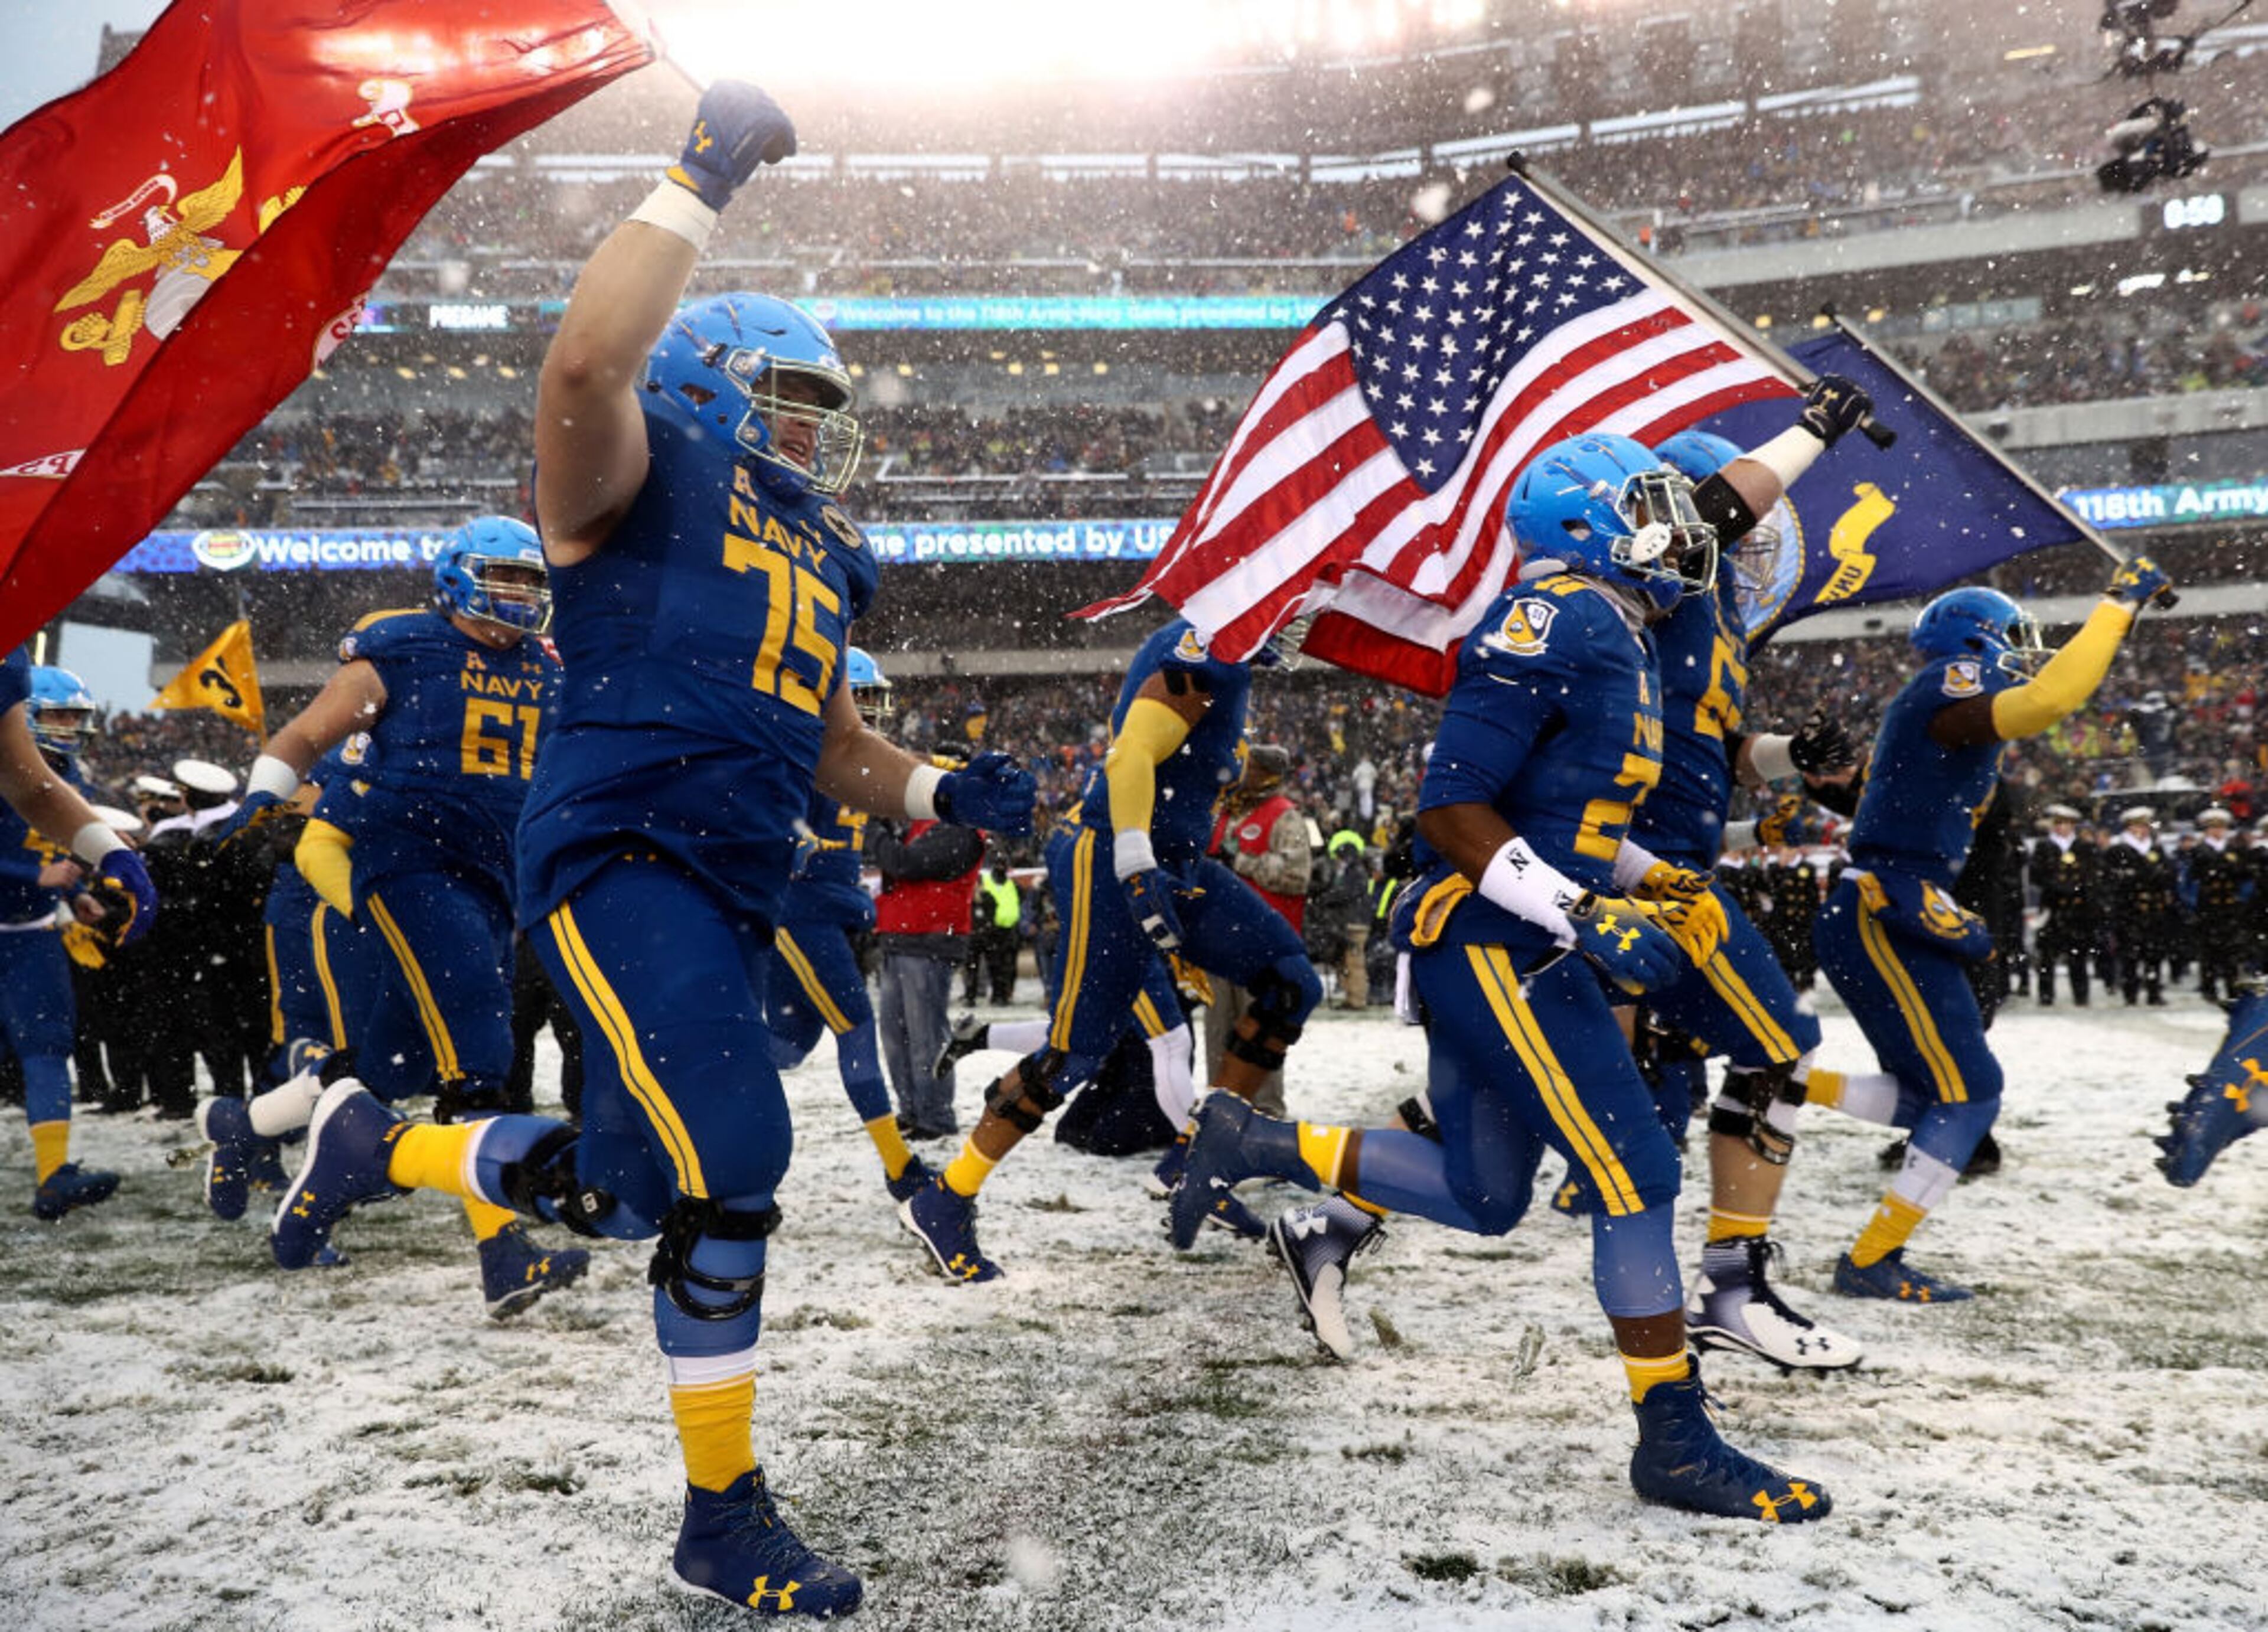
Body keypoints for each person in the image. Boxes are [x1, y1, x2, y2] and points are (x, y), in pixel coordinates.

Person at [258, 81, 1032, 1617]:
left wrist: (944, 782)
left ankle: (373, 1144)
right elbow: (583, 362)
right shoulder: (637, 466)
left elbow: (834, 745)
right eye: (794, 403)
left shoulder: (824, 552)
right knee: (741, 1151)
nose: (820, 434)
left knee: (621, 1185)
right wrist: (695, 182)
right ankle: (721, 1516)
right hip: (624, 852)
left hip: (732, 872)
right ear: (714, 391)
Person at [1172, 433, 1827, 1520]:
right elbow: (1452, 807)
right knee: (1637, 1174)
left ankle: (1255, 1141)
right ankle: (1675, 1440)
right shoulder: (1558, 614)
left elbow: (1566, 815)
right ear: (1588, 521)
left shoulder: (1617, 623)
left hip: (1516, 936)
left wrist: (1646, 876)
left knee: (1486, 1194)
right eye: (1651, 508)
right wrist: (1583, 912)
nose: (1676, 530)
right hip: (1502, 942)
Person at [203, 518, 581, 1316]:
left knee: (386, 1071)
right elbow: (308, 733)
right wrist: (264, 793)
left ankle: (253, 1134)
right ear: (457, 578)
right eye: (504, 577)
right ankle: (503, 1255)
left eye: (530, 581)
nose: (519, 595)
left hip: (493, 880)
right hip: (411, 863)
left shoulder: (551, 668)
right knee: (481, 1055)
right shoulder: (405, 649)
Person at [897, 619, 1322, 1282]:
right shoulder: (1202, 647)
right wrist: (1135, 861)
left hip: (1177, 859)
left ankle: (1202, 1157)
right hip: (1115, 855)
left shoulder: (1229, 658)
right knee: (1075, 1051)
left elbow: (1191, 768)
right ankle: (946, 1197)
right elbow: (1130, 757)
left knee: (1291, 982)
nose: (1297, 618)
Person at [1809, 559, 2171, 1301]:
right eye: (2015, 636)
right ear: (1979, 640)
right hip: (1888, 903)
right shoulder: (1948, 682)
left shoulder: (1939, 704)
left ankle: (1775, 1083)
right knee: (1972, 1095)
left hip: (1900, 902)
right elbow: (2048, 700)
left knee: (1930, 1097)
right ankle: (1870, 1259)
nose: (2026, 651)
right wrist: (2117, 604)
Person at [765, 647, 937, 1202]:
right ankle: (899, 1167)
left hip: (824, 907)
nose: (867, 710)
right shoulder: (804, 747)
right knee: (856, 1026)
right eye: (858, 697)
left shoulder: (849, 755)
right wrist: (793, 835)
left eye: (869, 698)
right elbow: (772, 804)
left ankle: (681, 1083)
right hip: (802, 910)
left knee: (787, 1045)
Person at [0, 657, 154, 1219]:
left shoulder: (73, 780)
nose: (69, 727)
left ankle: (53, 1175)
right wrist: (31, 877)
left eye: (74, 716)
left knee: (48, 1049)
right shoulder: (8, 767)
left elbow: (55, 848)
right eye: (57, 716)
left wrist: (74, 894)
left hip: (32, 931)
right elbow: (35, 861)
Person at [1201, 743, 1309, 1117]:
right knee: (1219, 1034)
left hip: (1263, 946)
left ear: (1269, 775)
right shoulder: (1223, 815)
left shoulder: (1286, 816)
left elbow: (1297, 875)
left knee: (1260, 1034)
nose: (1243, 775)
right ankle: (1221, 1112)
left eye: (1252, 769)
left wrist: (1241, 862)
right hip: (1218, 944)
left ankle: (1265, 1114)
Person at [871, 804, 984, 1142]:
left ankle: (934, 1116)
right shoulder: (931, 824)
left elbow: (906, 864)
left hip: (927, 940)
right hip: (904, 937)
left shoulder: (959, 827)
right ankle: (913, 1112)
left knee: (925, 1037)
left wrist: (873, 831)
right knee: (897, 1037)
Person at [2102, 805, 2178, 1006]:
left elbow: (2170, 874)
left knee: (2154, 954)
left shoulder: (2156, 849)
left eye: (2145, 826)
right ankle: (2131, 992)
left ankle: (2154, 991)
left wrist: (2159, 878)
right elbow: (2111, 880)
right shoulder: (2118, 851)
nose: (2143, 830)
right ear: (2129, 827)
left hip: (2154, 909)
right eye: (2138, 826)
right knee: (2130, 954)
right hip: (2129, 909)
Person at [2029, 803, 2098, 1006]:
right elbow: (2036, 875)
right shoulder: (2044, 846)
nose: (2062, 828)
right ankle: (2046, 996)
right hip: (2052, 906)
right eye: (2058, 824)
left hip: (2077, 908)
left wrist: (2078, 889)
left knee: (2078, 954)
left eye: (2067, 824)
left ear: (2073, 826)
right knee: (2047, 955)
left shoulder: (2083, 847)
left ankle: (2081, 995)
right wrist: (2056, 886)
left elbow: (2092, 874)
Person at [2182, 807, 2254, 1003]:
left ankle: (2232, 987)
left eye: (2221, 828)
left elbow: (2247, 879)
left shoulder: (2235, 851)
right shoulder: (2197, 852)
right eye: (2213, 828)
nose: (2218, 831)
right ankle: (2209, 989)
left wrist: (2243, 899)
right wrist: (2192, 905)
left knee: (2232, 952)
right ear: (2206, 830)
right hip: (2208, 908)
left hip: (2231, 908)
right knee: (2209, 953)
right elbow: (2187, 881)